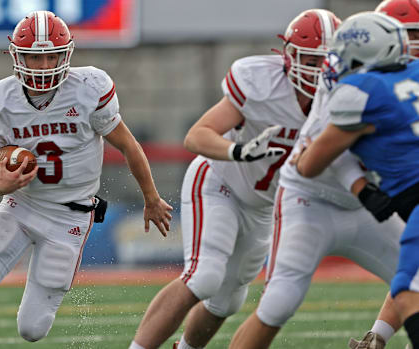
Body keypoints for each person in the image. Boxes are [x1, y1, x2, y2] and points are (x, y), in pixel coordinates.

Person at [0, 10, 173, 348]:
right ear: (16, 55)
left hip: (69, 216)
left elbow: (129, 145)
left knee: (33, 329)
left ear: (66, 54)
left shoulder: (89, 88)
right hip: (20, 205)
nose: (42, 66)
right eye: (33, 57)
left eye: (51, 56)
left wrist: (151, 197)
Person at [128, 9, 339, 349]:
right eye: (310, 60)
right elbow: (197, 135)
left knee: (226, 302)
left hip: (263, 207)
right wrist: (239, 151)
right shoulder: (260, 80)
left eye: (325, 61)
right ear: (289, 55)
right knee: (204, 276)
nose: (318, 71)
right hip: (220, 183)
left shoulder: (345, 97)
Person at [296, 11, 419, 349]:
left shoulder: (362, 91)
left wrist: (307, 148)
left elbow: (309, 166)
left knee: (409, 292)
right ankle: (377, 338)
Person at [347, 2, 419, 348]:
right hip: (403, 198)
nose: (414, 44)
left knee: (409, 280)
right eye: (411, 35)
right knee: (409, 278)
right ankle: (377, 337)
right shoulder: (369, 83)